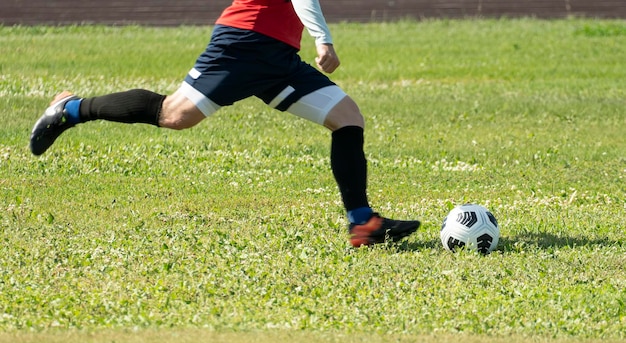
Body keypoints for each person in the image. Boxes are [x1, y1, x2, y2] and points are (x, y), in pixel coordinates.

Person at [30, 0, 420, 247]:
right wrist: (323, 39)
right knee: (175, 115)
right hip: (243, 40)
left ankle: (362, 223)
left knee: (347, 118)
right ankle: (72, 109)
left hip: (278, 56)